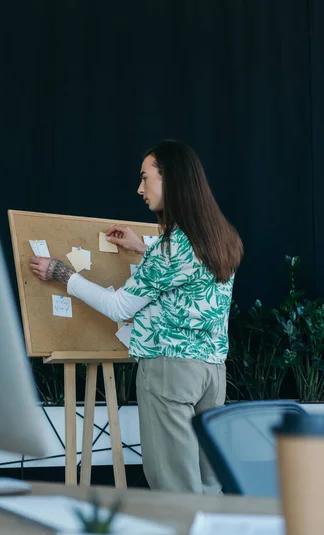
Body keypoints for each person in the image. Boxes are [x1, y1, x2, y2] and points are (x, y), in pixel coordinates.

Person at [30, 139, 243, 493]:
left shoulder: (171, 247)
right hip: (212, 373)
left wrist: (64, 274)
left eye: (146, 178)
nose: (139, 188)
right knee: (208, 485)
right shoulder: (221, 238)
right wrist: (142, 248)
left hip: (169, 371)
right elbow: (186, 275)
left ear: (171, 180)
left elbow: (118, 308)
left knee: (174, 486)